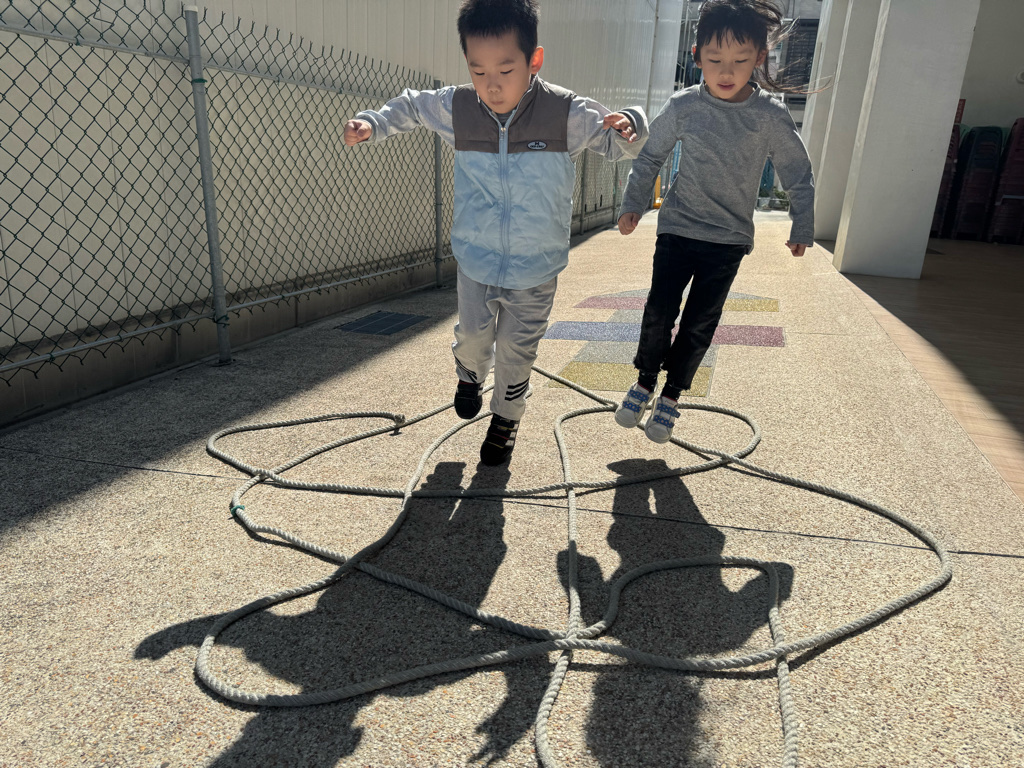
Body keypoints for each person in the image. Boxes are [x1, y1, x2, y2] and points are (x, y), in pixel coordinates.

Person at [345, 0, 648, 465]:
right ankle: (469, 373)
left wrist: (630, 124)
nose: (491, 84)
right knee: (473, 336)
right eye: (478, 70)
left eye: (506, 70)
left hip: (536, 264)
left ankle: (506, 418)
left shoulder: (564, 111)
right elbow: (412, 105)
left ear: (534, 60)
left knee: (516, 349)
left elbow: (620, 143)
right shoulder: (460, 107)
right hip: (477, 257)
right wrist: (373, 123)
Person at [614, 0, 814, 444]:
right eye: (715, 59)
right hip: (678, 228)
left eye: (740, 61)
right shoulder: (684, 105)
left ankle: (671, 395)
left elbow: (797, 171)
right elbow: (650, 156)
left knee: (700, 322)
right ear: (697, 55)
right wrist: (634, 204)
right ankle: (645, 382)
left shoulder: (770, 115)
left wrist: (802, 223)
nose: (727, 71)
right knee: (659, 310)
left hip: (728, 239)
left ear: (759, 58)